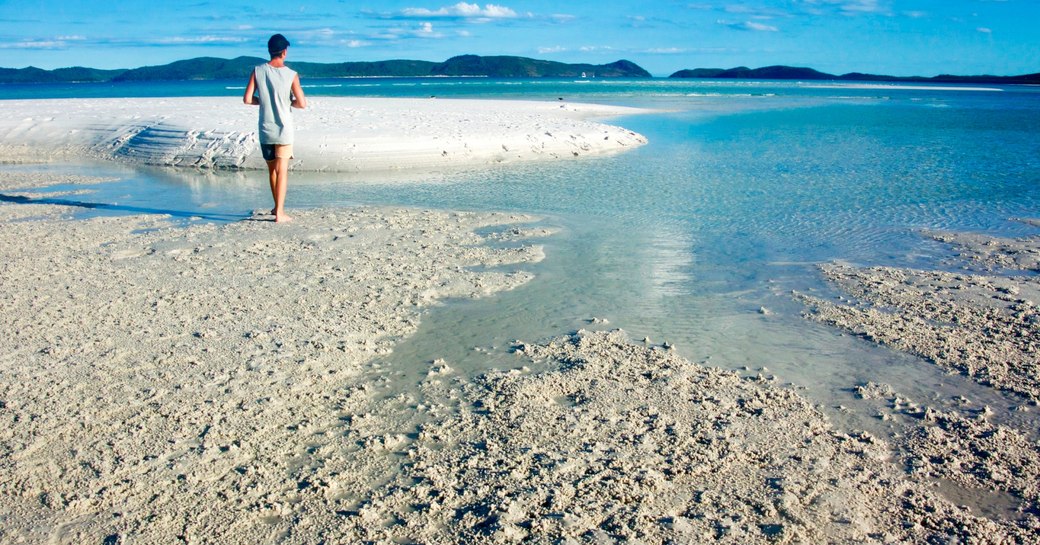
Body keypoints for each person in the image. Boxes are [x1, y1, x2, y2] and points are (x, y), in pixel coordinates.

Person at [243, 33, 306, 223]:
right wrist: (288, 103)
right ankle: (280, 212)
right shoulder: (291, 74)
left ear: (270, 51)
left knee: (272, 170)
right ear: (284, 52)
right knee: (283, 170)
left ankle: (276, 207)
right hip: (284, 128)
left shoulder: (257, 70)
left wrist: (262, 101)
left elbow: (247, 99)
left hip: (265, 128)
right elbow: (302, 103)